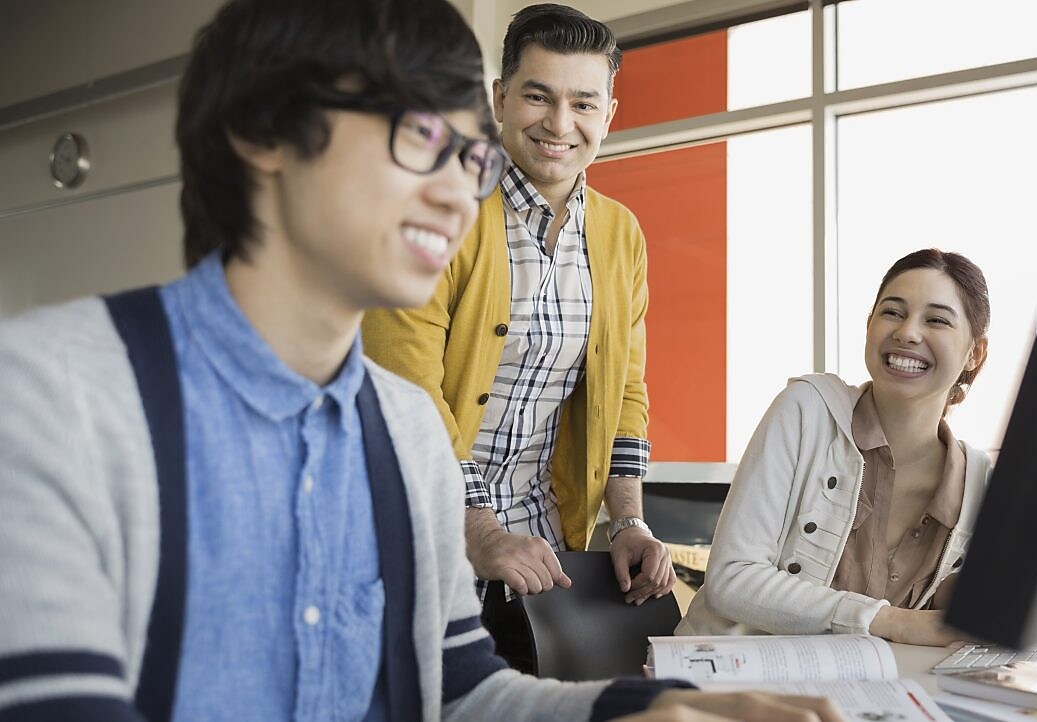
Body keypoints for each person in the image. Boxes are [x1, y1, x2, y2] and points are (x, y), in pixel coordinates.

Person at [0, 1, 845, 720]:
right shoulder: (52, 399)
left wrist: (643, 707)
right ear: (266, 134)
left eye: (471, 153)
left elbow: (461, 689)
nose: (456, 189)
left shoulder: (402, 428)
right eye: (415, 138)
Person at [362, 3, 674, 671]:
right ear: (499, 98)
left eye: (584, 103)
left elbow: (624, 392)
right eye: (539, 96)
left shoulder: (621, 235)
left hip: (541, 558)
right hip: (422, 537)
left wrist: (627, 522)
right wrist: (477, 529)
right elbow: (401, 390)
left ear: (610, 113)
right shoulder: (431, 207)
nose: (561, 124)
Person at [677, 249, 993, 647]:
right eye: (892, 312)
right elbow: (732, 578)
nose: (908, 332)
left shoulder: (978, 481)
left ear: (974, 353)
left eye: (936, 320)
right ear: (869, 325)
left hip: (861, 696)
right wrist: (891, 621)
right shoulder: (806, 409)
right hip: (729, 674)